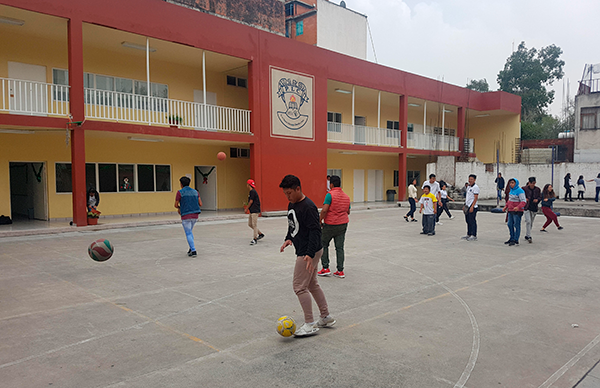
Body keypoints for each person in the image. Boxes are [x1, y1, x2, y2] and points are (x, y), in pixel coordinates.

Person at [279, 175, 335, 337]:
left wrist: (309, 255)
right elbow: (292, 224)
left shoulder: (308, 207)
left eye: (290, 192)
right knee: (311, 284)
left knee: (299, 286)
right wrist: (288, 238)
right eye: (285, 193)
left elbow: (316, 231)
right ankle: (325, 316)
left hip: (308, 251)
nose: (288, 196)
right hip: (306, 249)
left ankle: (310, 323)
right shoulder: (292, 204)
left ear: (298, 189)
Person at [317, 175, 350, 278]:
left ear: (331, 184)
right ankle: (340, 271)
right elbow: (348, 211)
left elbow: (325, 210)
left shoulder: (329, 195)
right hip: (343, 224)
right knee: (339, 247)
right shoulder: (346, 196)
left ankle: (325, 268)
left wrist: (319, 220)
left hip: (330, 224)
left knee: (323, 244)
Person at [174, 176, 202, 257]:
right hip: (195, 215)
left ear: (181, 184)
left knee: (188, 232)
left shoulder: (180, 192)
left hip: (185, 215)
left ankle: (193, 250)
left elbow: (176, 205)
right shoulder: (196, 192)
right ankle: (191, 248)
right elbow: (200, 204)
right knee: (190, 232)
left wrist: (180, 208)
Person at [503, 178, 526, 246]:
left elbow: (523, 201)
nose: (511, 184)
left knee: (516, 225)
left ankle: (516, 239)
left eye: (513, 183)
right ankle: (511, 238)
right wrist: (505, 207)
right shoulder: (511, 191)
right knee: (510, 224)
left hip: (517, 211)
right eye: (510, 183)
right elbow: (509, 201)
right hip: (510, 210)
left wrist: (518, 207)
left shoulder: (520, 191)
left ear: (516, 183)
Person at [522, 177, 541, 244]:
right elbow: (521, 196)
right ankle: (529, 236)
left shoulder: (537, 189)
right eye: (532, 183)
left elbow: (540, 197)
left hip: (534, 207)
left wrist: (537, 200)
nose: (533, 184)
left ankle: (527, 234)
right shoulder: (524, 189)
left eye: (534, 183)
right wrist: (525, 199)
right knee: (528, 221)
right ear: (529, 183)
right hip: (527, 207)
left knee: (531, 222)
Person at [246, 179, 264, 246]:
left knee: (254, 225)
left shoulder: (252, 192)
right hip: (252, 210)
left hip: (255, 211)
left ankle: (255, 239)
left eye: (247, 184)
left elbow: (251, 201)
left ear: (248, 185)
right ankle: (260, 234)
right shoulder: (252, 191)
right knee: (250, 224)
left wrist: (246, 208)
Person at [461, 174, 479, 241]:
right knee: (468, 220)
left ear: (474, 180)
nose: (470, 180)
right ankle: (468, 234)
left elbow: (475, 198)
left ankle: (473, 235)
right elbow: (468, 198)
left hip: (473, 207)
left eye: (471, 179)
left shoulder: (476, 187)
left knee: (472, 221)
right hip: (467, 206)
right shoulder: (468, 187)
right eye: (469, 179)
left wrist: (472, 206)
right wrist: (464, 205)